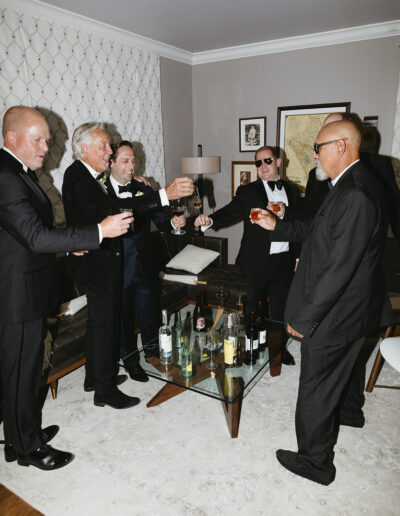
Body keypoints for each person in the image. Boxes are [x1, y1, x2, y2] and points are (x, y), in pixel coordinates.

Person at [253, 120, 393, 485]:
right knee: (343, 372)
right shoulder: (350, 183)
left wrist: (304, 318)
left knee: (315, 384)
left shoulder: (357, 193)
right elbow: (319, 232)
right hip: (353, 307)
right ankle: (351, 413)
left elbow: (337, 269)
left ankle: (315, 463)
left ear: (341, 146)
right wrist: (277, 226)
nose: (313, 154)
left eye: (318, 147)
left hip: (336, 312)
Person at [0, 106, 131, 470]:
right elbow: (33, 235)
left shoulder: (19, 173)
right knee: (21, 372)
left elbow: (29, 233)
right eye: (38, 139)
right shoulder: (6, 176)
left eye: (48, 138)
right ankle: (27, 448)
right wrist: (99, 231)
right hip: (16, 294)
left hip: (26, 288)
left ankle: (19, 437)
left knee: (22, 371)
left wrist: (67, 242)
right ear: (12, 138)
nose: (47, 146)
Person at [62, 123, 193, 409]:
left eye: (111, 148)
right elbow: (114, 212)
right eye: (104, 147)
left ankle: (95, 379)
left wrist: (165, 208)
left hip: (112, 264)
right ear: (84, 148)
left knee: (101, 326)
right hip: (100, 266)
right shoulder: (81, 178)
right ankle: (105, 390)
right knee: (107, 327)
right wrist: (162, 195)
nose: (108, 152)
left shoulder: (88, 176)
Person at [195, 145, 301, 366]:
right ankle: (251, 347)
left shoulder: (292, 190)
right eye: (258, 162)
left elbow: (299, 226)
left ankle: (278, 348)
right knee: (253, 306)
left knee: (281, 308)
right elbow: (230, 211)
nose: (262, 166)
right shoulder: (248, 191)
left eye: (267, 161)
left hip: (284, 260)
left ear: (278, 162)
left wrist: (299, 258)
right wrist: (211, 220)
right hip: (257, 260)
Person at [107, 140, 186, 381]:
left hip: (146, 261)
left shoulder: (144, 188)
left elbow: (160, 218)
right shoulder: (101, 191)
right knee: (124, 317)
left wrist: (172, 223)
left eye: (133, 161)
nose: (131, 167)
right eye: (125, 161)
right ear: (110, 162)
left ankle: (153, 350)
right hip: (118, 265)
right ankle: (130, 361)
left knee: (149, 309)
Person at [303, 113, 400, 243]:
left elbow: (395, 211)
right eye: (323, 128)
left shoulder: (378, 166)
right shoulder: (315, 174)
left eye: (332, 127)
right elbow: (309, 217)